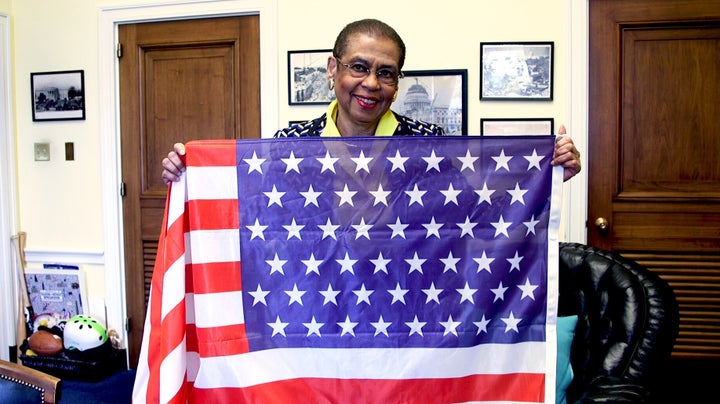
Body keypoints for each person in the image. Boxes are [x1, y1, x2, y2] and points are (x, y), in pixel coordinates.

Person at [161, 18, 581, 185]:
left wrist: (547, 175)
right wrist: (188, 174)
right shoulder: (289, 142)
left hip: (404, 301)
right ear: (332, 69)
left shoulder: (428, 141)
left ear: (397, 83)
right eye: (358, 67)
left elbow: (479, 204)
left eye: (386, 72)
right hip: (317, 299)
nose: (370, 83)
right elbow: (248, 206)